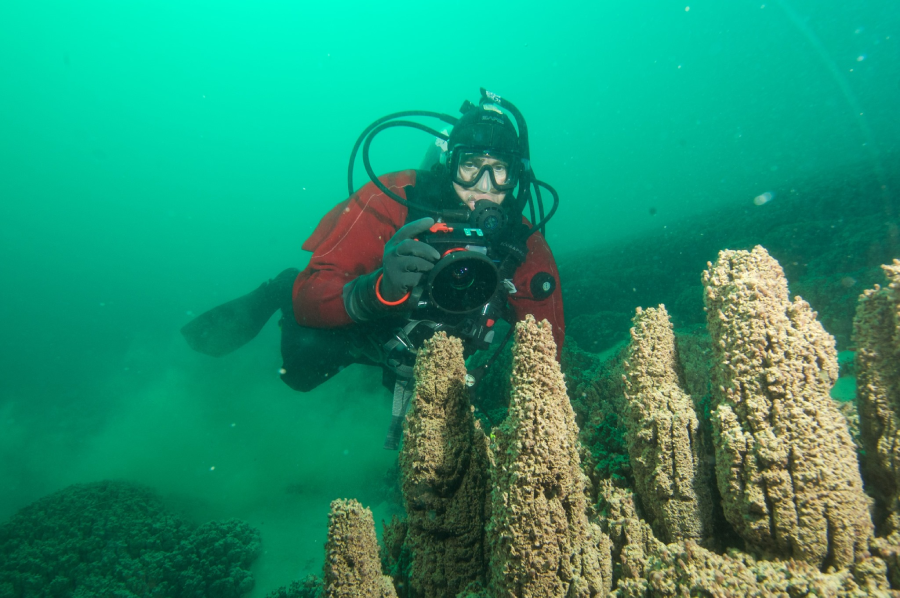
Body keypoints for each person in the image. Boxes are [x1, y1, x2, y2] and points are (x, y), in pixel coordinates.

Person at [182, 92, 564, 448]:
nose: (484, 186)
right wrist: (372, 292)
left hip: (439, 352)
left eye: (500, 170)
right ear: (450, 164)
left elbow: (549, 354)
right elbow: (311, 294)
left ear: (518, 177)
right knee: (301, 371)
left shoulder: (523, 246)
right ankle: (278, 286)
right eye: (470, 166)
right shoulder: (391, 199)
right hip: (371, 329)